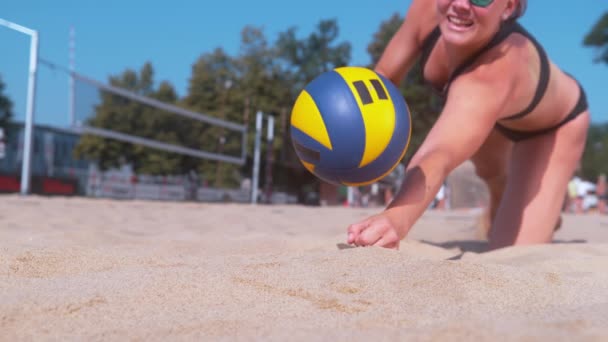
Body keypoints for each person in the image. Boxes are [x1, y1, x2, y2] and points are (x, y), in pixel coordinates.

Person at [346, 0, 590, 250]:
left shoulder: (495, 71)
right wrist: (353, 137)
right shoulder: (426, 9)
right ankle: (510, 196)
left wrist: (395, 218)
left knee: (510, 252)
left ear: (508, 8)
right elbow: (384, 80)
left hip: (551, 127)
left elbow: (439, 153)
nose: (461, 4)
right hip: (494, 113)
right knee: (493, 176)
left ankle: (539, 204)